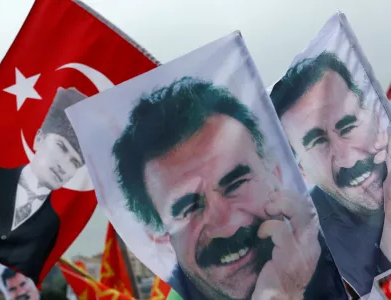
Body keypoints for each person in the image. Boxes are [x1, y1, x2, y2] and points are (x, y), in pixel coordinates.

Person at [112, 77, 348, 300]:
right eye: (189, 207)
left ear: (275, 176)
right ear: (160, 237)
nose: (226, 225)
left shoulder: (350, 255)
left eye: (236, 184)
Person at [270, 51, 391, 295]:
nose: (346, 158)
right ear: (302, 170)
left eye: (348, 125)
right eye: (318, 143)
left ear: (374, 116)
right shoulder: (311, 250)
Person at [0, 87, 86, 283]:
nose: (63, 166)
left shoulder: (52, 224)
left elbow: (30, 277)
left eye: (75, 162)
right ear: (38, 138)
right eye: (61, 147)